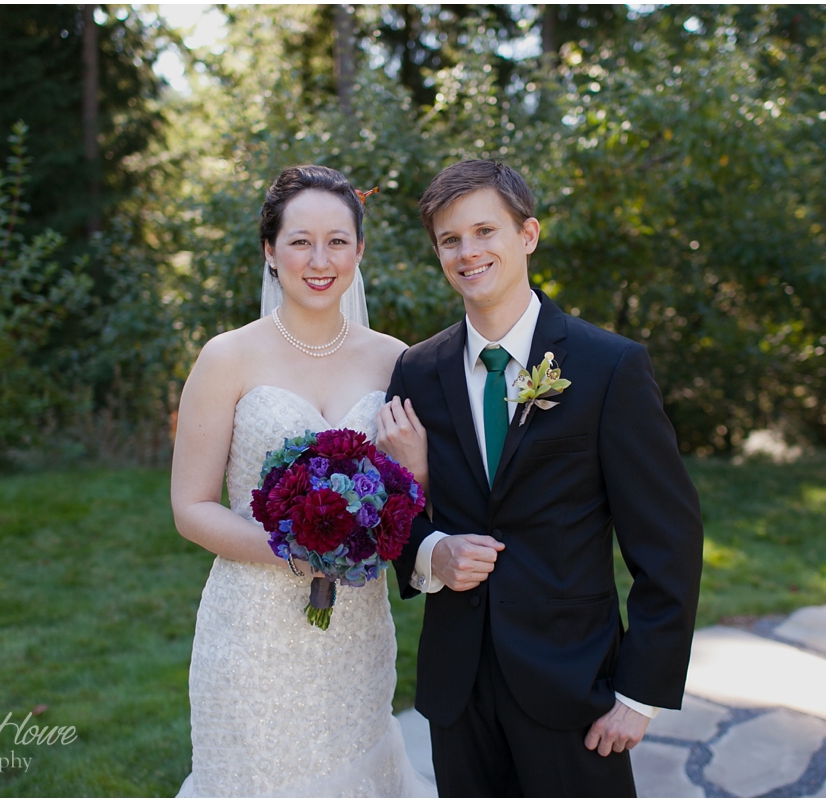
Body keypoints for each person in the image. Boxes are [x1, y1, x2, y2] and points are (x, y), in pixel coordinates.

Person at [385, 160, 704, 797]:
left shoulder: (608, 366)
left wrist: (640, 695)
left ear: (527, 234)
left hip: (574, 687)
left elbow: (668, 541)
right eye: (450, 240)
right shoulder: (415, 373)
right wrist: (428, 552)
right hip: (459, 691)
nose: (468, 252)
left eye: (485, 231)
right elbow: (395, 513)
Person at [170, 164, 434, 797]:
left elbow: (412, 496)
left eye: (338, 241)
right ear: (270, 250)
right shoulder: (227, 357)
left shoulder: (397, 360)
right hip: (251, 634)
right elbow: (190, 507)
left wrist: (417, 469)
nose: (321, 260)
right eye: (300, 241)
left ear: (360, 250)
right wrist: (302, 548)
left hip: (356, 633)